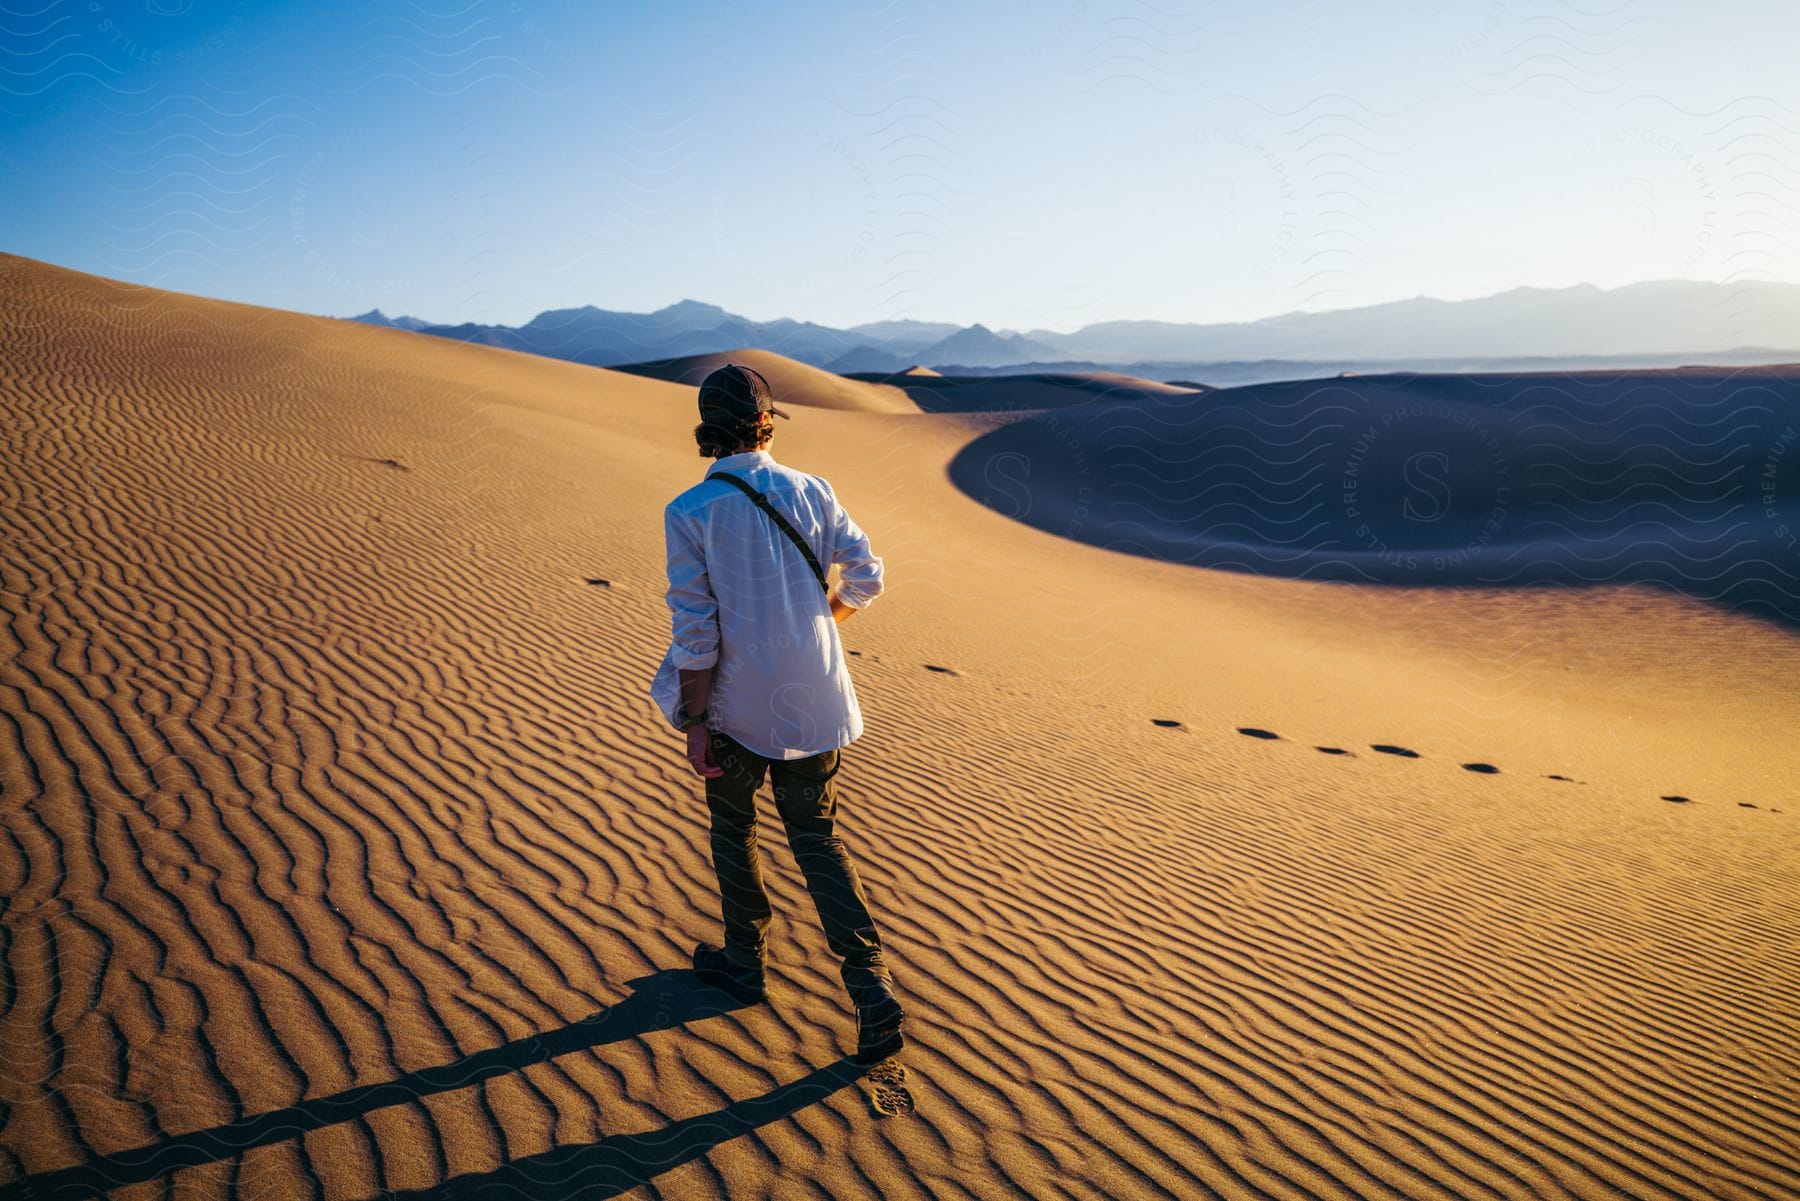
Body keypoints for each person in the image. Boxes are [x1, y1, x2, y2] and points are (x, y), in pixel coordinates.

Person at [649, 362, 905, 1063]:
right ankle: (871, 985)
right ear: (767, 422)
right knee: (817, 839)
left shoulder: (690, 511)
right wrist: (818, 622)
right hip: (814, 699)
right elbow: (869, 574)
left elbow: (695, 630)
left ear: (706, 426)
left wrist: (696, 722)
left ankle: (745, 959)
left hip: (736, 705)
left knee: (733, 827)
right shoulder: (813, 491)